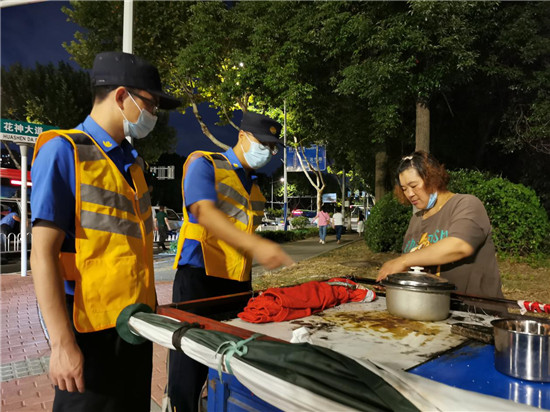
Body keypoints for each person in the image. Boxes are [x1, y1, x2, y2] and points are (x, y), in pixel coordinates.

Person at [30, 51, 181, 412]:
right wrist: (62, 344)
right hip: (88, 331)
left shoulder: (133, 167)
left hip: (134, 327)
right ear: (121, 96)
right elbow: (42, 253)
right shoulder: (64, 152)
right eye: (151, 103)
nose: (154, 114)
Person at [168, 111, 295, 412]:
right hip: (199, 277)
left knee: (230, 356)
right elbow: (204, 212)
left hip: (237, 283)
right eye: (263, 142)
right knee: (189, 363)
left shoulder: (254, 189)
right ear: (242, 136)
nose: (269, 151)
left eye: (273, 146)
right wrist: (257, 246)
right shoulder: (205, 163)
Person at [376, 151, 503, 298]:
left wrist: (403, 261)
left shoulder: (466, 204)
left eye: (414, 185)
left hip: (476, 312)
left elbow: (459, 246)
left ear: (433, 179)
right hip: (433, 310)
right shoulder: (416, 220)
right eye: (404, 189)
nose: (409, 194)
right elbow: (414, 266)